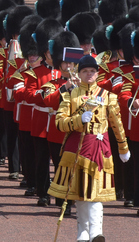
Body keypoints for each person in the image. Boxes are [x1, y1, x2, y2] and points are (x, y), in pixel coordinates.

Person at [49, 55, 130, 242]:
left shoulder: (108, 96)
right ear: (79, 74)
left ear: (97, 74)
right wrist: (79, 119)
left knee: (95, 193)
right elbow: (60, 123)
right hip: (77, 148)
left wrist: (123, 147)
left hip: (99, 149)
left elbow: (117, 124)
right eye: (85, 71)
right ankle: (83, 232)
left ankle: (96, 232)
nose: (89, 74)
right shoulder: (70, 95)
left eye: (92, 71)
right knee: (80, 192)